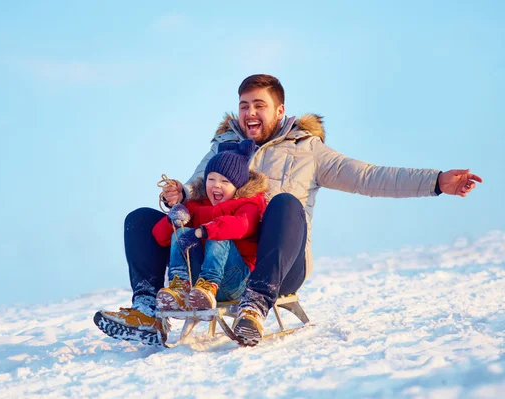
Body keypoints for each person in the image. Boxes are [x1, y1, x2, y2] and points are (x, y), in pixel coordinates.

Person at [95, 74, 483, 346]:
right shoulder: (222, 147)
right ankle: (147, 312)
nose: (250, 112)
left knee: (283, 203)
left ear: (279, 111)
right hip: (222, 259)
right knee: (141, 219)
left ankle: (256, 305)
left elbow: (368, 176)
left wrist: (436, 181)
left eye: (259, 105)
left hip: (279, 266)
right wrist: (177, 194)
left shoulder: (306, 150)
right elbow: (198, 189)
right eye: (244, 105)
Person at [152, 139, 267, 313]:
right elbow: (160, 238)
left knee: (218, 233)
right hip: (196, 288)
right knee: (181, 232)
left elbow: (242, 225)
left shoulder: (248, 204)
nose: (216, 185)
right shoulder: (197, 205)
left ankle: (209, 284)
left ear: (238, 186)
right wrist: (173, 220)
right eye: (211, 179)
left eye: (225, 181)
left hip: (235, 282)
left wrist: (203, 231)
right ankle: (180, 286)